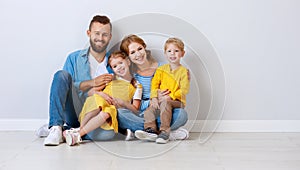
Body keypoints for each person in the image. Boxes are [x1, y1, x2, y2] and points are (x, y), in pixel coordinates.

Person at [43, 15, 115, 146]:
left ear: (110, 37)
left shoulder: (116, 61)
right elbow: (64, 87)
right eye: (97, 33)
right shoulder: (74, 58)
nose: (100, 38)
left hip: (97, 116)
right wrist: (91, 84)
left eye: (105, 34)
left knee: (108, 135)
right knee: (61, 75)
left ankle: (68, 131)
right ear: (89, 33)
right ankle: (55, 127)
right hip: (74, 111)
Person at [117, 34, 189, 141]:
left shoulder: (164, 67)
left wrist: (168, 97)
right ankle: (164, 132)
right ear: (128, 58)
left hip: (165, 109)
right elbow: (135, 104)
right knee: (121, 114)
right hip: (144, 113)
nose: (138, 54)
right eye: (132, 52)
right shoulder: (131, 76)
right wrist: (152, 101)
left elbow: (178, 89)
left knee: (181, 115)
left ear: (144, 48)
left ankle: (150, 132)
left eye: (140, 49)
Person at [63, 51, 143, 146]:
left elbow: (135, 110)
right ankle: (80, 129)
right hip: (97, 103)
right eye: (115, 66)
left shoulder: (137, 86)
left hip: (111, 109)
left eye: (121, 63)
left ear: (128, 62)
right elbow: (91, 92)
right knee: (99, 102)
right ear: (112, 69)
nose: (119, 68)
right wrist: (103, 95)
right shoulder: (111, 78)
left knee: (107, 113)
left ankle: (77, 134)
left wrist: (124, 103)